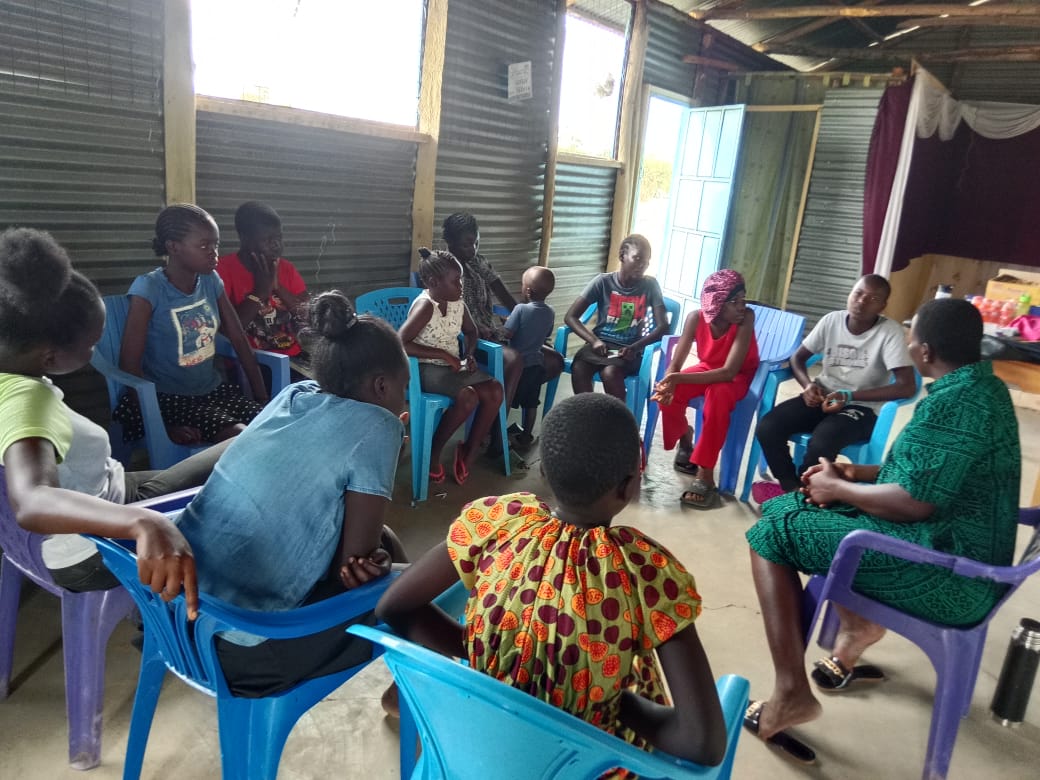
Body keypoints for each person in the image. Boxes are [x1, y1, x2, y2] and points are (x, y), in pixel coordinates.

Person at [375, 393, 727, 767]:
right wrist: (614, 700)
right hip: (587, 765)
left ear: (543, 471)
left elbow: (392, 606)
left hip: (482, 747)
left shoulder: (496, 522)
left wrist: (487, 656)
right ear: (628, 485)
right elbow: (700, 742)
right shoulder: (647, 573)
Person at [742, 298, 1019, 763]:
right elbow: (928, 475)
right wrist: (856, 475)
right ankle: (860, 628)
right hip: (957, 548)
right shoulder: (983, 390)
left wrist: (837, 490)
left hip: (948, 574)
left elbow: (914, 503)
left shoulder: (953, 406)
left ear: (925, 351)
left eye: (911, 339)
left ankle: (791, 692)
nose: (908, 343)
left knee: (770, 532)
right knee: (797, 506)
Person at [174, 290, 410, 697]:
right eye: (404, 389)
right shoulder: (380, 426)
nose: (403, 399)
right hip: (243, 651)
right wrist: (393, 436)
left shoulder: (292, 396)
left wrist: (370, 557)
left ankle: (403, 687)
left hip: (172, 616)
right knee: (427, 584)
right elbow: (352, 570)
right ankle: (410, 692)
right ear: (382, 386)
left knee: (387, 542)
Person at [0, 227, 198, 603]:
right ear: (50, 357)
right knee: (229, 505)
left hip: (106, 495)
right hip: (89, 548)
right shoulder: (29, 401)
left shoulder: (9, 376)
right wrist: (144, 522)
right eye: (92, 345)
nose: (95, 353)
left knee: (235, 453)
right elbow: (31, 500)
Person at [751, 274, 915, 504]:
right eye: (858, 293)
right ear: (850, 294)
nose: (862, 302)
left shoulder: (890, 332)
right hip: (822, 396)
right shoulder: (832, 320)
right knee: (768, 426)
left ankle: (806, 498)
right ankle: (792, 490)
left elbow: (906, 386)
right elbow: (798, 358)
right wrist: (808, 386)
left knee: (822, 442)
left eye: (873, 298)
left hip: (861, 408)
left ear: (883, 306)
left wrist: (850, 395)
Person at [113, 204, 268, 447]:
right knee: (239, 436)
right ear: (173, 247)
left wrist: (262, 397)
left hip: (213, 391)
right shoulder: (149, 289)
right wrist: (161, 426)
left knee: (271, 424)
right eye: (204, 246)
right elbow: (129, 364)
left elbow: (238, 338)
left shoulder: (210, 280)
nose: (214, 253)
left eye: (216, 245)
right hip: (168, 399)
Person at [651, 270, 758, 510]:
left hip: (737, 376)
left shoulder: (746, 319)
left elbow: (729, 372)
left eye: (744, 300)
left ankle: (705, 474)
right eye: (735, 302)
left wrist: (676, 378)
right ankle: (686, 440)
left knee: (718, 396)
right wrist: (668, 382)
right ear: (718, 303)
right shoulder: (695, 318)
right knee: (668, 396)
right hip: (708, 367)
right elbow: (675, 364)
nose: (742, 306)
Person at [399, 248, 504, 486]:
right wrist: (443, 356)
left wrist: (468, 353)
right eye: (455, 281)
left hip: (453, 366)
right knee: (468, 398)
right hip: (424, 369)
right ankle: (434, 453)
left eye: (461, 280)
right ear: (434, 282)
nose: (461, 286)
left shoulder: (458, 303)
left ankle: (469, 449)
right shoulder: (426, 306)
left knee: (495, 390)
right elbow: (400, 343)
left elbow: (471, 331)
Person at [441, 212, 563, 415]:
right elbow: (447, 311)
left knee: (553, 360)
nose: (472, 249)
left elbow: (501, 291)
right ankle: (499, 435)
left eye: (476, 243)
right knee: (515, 359)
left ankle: (505, 401)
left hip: (494, 334)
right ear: (450, 242)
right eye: (466, 244)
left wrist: (524, 322)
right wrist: (477, 327)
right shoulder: (443, 268)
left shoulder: (478, 261)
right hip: (468, 340)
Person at [565, 234, 669, 403]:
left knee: (610, 373)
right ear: (622, 256)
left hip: (630, 350)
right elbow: (571, 317)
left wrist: (635, 348)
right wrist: (594, 341)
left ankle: (617, 422)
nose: (642, 265)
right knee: (579, 368)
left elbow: (663, 326)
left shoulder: (650, 285)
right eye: (637, 258)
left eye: (647, 261)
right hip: (600, 345)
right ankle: (587, 416)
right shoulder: (603, 282)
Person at [216, 201, 310, 371]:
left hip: (293, 358)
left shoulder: (286, 269)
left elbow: (308, 316)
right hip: (251, 363)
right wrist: (260, 291)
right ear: (244, 238)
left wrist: (276, 286)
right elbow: (226, 332)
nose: (276, 245)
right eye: (267, 240)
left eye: (279, 238)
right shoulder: (223, 271)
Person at [502, 265, 556, 448]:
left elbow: (508, 334)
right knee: (531, 403)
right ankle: (526, 436)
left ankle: (499, 433)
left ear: (527, 290)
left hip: (519, 367)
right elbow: (545, 333)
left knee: (507, 398)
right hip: (537, 366)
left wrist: (504, 326)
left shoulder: (520, 309)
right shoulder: (550, 312)